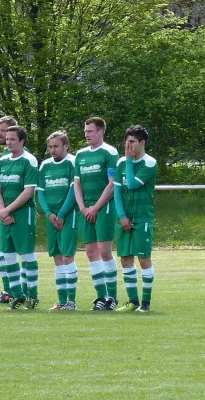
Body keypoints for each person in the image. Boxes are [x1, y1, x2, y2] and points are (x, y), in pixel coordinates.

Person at [74, 117, 120, 311]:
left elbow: (112, 184)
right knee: (91, 252)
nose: (86, 134)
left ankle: (113, 297)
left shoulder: (110, 153)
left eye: (90, 131)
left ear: (100, 132)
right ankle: (101, 296)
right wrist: (84, 207)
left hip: (104, 208)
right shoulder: (80, 155)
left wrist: (96, 207)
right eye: (85, 131)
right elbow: (77, 183)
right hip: (86, 209)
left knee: (104, 251)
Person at [0, 125, 39, 310]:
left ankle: (32, 295)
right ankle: (17, 294)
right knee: (8, 255)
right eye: (7, 138)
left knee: (27, 254)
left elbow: (28, 192)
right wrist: (3, 211)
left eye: (13, 139)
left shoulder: (29, 161)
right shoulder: (2, 162)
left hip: (23, 213)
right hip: (6, 214)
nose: (8, 142)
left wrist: (7, 211)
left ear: (22, 141)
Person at [113, 125, 158, 313]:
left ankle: (146, 303)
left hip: (142, 218)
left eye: (132, 142)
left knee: (143, 259)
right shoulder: (121, 163)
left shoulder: (149, 163)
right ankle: (133, 302)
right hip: (124, 219)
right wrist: (122, 216)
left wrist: (130, 162)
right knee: (125, 259)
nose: (128, 146)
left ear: (142, 143)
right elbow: (117, 191)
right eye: (127, 142)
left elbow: (131, 185)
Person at [37, 131, 79, 311]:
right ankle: (61, 301)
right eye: (50, 146)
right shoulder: (45, 165)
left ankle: (72, 301)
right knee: (57, 257)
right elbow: (40, 191)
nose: (52, 150)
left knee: (68, 256)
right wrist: (48, 213)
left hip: (69, 215)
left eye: (56, 146)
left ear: (66, 146)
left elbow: (73, 190)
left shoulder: (72, 162)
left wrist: (61, 213)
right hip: (51, 217)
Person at [0, 116, 19, 304]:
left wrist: (7, 210)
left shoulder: (20, 154)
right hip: (5, 209)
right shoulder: (4, 154)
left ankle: (18, 291)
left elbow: (24, 186)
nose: (0, 134)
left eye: (3, 131)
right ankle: (9, 291)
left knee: (13, 250)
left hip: (15, 211)